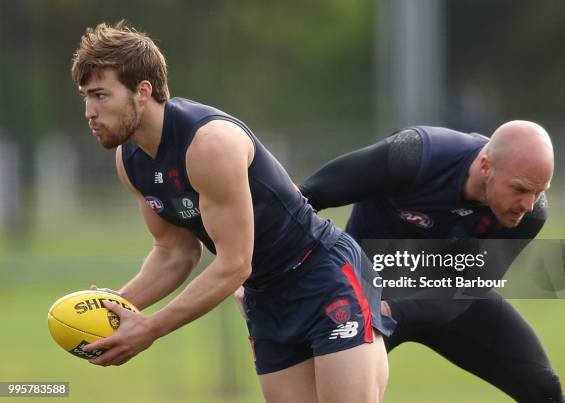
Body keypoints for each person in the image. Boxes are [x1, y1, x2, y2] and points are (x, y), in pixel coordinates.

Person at [71, 21, 392, 403]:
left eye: (101, 95)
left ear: (143, 92)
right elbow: (175, 251)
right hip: (265, 298)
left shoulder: (209, 144)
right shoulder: (130, 159)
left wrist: (150, 329)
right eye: (86, 97)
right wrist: (116, 307)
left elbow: (234, 264)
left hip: (323, 275)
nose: (89, 111)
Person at [297, 122, 565, 402]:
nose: (528, 204)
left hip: (444, 294)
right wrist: (261, 269)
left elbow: (463, 293)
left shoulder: (531, 215)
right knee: (322, 395)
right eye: (520, 189)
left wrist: (393, 310)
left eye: (539, 192)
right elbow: (304, 197)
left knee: (544, 391)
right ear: (486, 167)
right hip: (364, 293)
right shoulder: (414, 155)